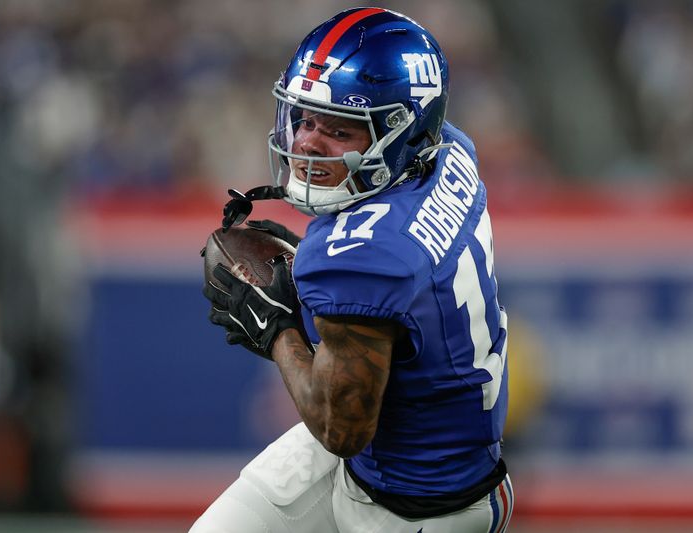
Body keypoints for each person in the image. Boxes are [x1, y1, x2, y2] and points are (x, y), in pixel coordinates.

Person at [194, 7, 512, 533]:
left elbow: (342, 430)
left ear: (399, 131)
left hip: (419, 508)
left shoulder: (360, 261)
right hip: (398, 459)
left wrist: (278, 330)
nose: (306, 144)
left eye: (341, 129)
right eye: (306, 118)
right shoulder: (449, 150)